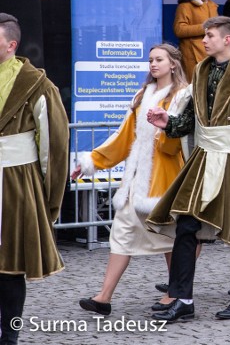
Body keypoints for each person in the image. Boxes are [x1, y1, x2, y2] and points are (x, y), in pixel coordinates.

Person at [146, 16, 230, 322]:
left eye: (209, 36)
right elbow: (194, 118)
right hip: (205, 157)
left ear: (227, 40)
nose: (204, 40)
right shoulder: (202, 71)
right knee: (185, 226)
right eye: (204, 35)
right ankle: (183, 299)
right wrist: (169, 123)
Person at [73, 44, 191, 315]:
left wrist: (165, 127)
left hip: (165, 180)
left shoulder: (184, 95)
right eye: (150, 60)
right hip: (134, 182)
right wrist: (90, 162)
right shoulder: (142, 94)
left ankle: (177, 294)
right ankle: (103, 297)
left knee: (170, 240)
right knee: (121, 235)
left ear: (173, 63)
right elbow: (123, 138)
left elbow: (179, 142)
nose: (153, 64)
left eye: (159, 59)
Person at [0, 13, 69, 345]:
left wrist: (47, 198)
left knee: (10, 267)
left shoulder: (38, 85)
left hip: (17, 182)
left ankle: (9, 335)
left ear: (11, 45)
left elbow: (53, 146)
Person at [173, 0, 219, 79]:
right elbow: (179, 30)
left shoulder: (212, 6)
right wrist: (205, 28)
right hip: (193, 54)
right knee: (193, 88)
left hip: (211, 53)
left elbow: (215, 25)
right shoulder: (185, 6)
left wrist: (227, 23)